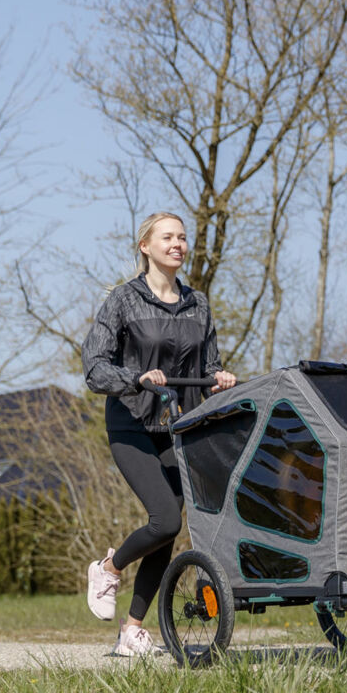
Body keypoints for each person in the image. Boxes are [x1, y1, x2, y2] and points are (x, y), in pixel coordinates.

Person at [82, 212, 237, 656]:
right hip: (131, 423)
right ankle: (108, 569)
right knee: (165, 518)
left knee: (169, 530)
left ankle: (132, 630)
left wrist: (218, 378)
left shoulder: (199, 305)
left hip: (175, 427)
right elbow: (94, 367)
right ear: (145, 246)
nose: (178, 244)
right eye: (167, 237)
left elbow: (208, 366)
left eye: (183, 237)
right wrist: (136, 379)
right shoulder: (123, 301)